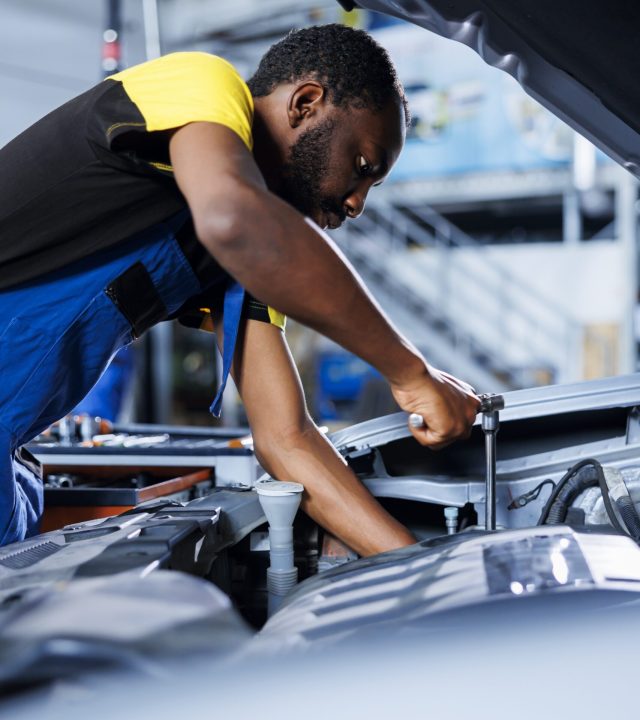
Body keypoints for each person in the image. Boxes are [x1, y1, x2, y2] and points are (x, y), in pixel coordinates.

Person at [0, 24, 479, 552]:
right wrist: (411, 373)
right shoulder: (203, 83)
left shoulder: (244, 259)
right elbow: (235, 220)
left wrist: (414, 565)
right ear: (306, 103)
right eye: (363, 167)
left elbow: (287, 440)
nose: (357, 203)